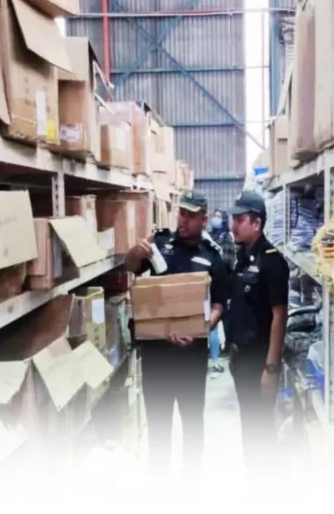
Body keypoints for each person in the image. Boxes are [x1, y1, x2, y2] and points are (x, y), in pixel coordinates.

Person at [125, 190, 230, 476]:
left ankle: (191, 482)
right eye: (181, 213)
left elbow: (219, 304)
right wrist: (136, 252)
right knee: (158, 425)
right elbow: (131, 267)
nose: (183, 220)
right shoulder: (159, 245)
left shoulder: (212, 257)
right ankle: (159, 481)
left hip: (190, 357)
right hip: (157, 355)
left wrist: (199, 328)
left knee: (192, 422)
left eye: (191, 216)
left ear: (204, 220)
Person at [228, 190, 289, 474]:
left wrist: (271, 368)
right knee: (249, 428)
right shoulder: (242, 256)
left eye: (240, 219)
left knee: (260, 430)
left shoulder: (273, 262)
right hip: (240, 359)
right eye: (234, 219)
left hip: (258, 362)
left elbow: (279, 316)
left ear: (257, 223)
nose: (234, 225)